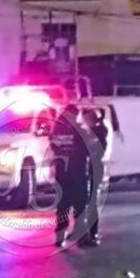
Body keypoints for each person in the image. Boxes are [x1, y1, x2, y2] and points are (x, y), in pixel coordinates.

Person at [51, 104, 94, 248]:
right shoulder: (80, 131)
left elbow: (54, 148)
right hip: (78, 174)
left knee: (62, 207)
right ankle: (82, 238)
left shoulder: (56, 131)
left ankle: (59, 237)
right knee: (80, 207)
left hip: (62, 174)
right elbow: (90, 149)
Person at [81, 107, 111, 247]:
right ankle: (87, 232)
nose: (84, 121)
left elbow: (97, 150)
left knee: (92, 203)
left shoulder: (98, 132)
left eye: (86, 119)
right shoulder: (92, 132)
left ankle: (92, 233)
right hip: (88, 170)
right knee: (86, 203)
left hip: (94, 169)